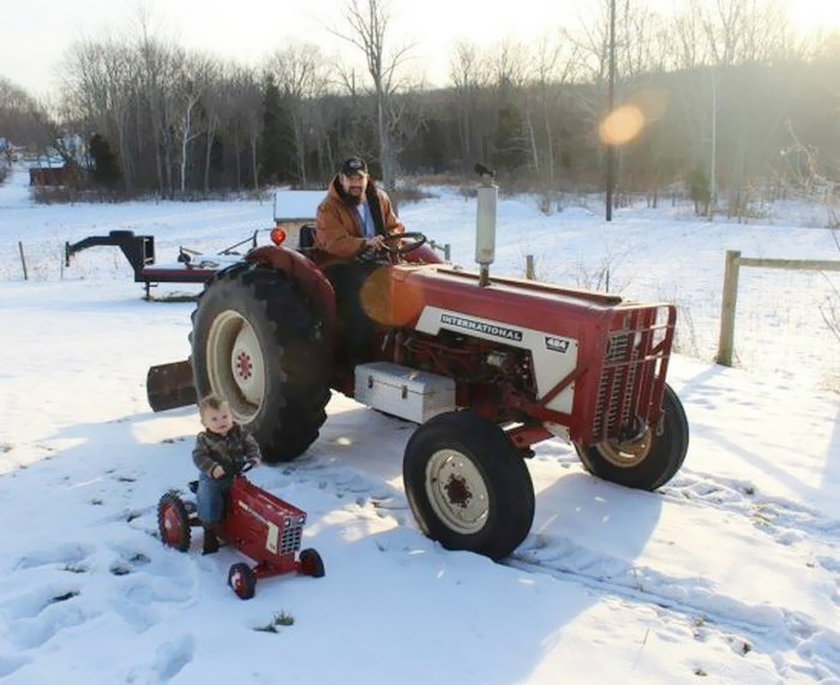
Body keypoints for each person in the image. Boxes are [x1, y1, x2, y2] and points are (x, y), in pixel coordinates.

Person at [315, 157, 406, 365]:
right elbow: (333, 242)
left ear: (367, 179)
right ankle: (358, 358)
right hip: (340, 264)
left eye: (360, 178)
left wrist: (392, 240)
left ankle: (402, 345)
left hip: (377, 259)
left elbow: (394, 226)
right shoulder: (328, 208)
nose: (355, 184)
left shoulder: (379, 199)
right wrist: (365, 243)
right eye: (350, 179)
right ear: (341, 179)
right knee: (361, 291)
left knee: (407, 281)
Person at [192, 394, 262, 554]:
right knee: (210, 496)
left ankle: (248, 525)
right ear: (205, 423)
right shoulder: (204, 439)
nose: (221, 422)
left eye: (224, 416)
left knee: (249, 496)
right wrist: (213, 468)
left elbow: (251, 445)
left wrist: (254, 457)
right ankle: (209, 531)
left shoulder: (239, 433)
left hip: (235, 475)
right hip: (213, 478)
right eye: (214, 419)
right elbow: (199, 456)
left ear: (231, 416)